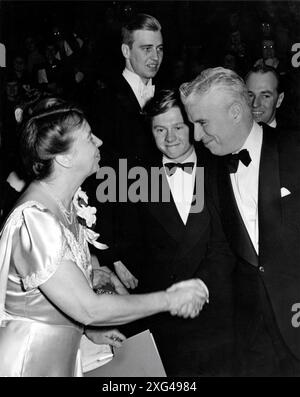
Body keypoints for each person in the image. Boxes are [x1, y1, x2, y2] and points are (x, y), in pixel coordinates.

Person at [0, 97, 208, 377]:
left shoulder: (66, 203)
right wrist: (170, 299)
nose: (99, 142)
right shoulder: (35, 220)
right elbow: (89, 308)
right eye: (88, 137)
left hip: (58, 358)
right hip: (29, 362)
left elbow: (61, 296)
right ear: (64, 157)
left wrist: (88, 331)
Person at [180, 67, 300, 376]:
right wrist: (191, 288)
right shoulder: (212, 172)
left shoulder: (294, 148)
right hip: (254, 334)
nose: (196, 135)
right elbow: (222, 249)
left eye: (202, 122)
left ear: (235, 112)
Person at [114, 89, 235, 376]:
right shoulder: (136, 177)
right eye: (160, 129)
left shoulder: (223, 166)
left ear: (193, 126)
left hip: (221, 313)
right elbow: (117, 226)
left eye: (178, 127)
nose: (170, 138)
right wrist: (116, 260)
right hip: (164, 318)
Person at [86, 13, 164, 289]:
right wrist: (113, 255)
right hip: (125, 240)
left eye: (159, 48)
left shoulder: (167, 94)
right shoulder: (102, 101)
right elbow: (96, 179)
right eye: (146, 48)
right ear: (125, 51)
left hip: (162, 230)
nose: (155, 56)